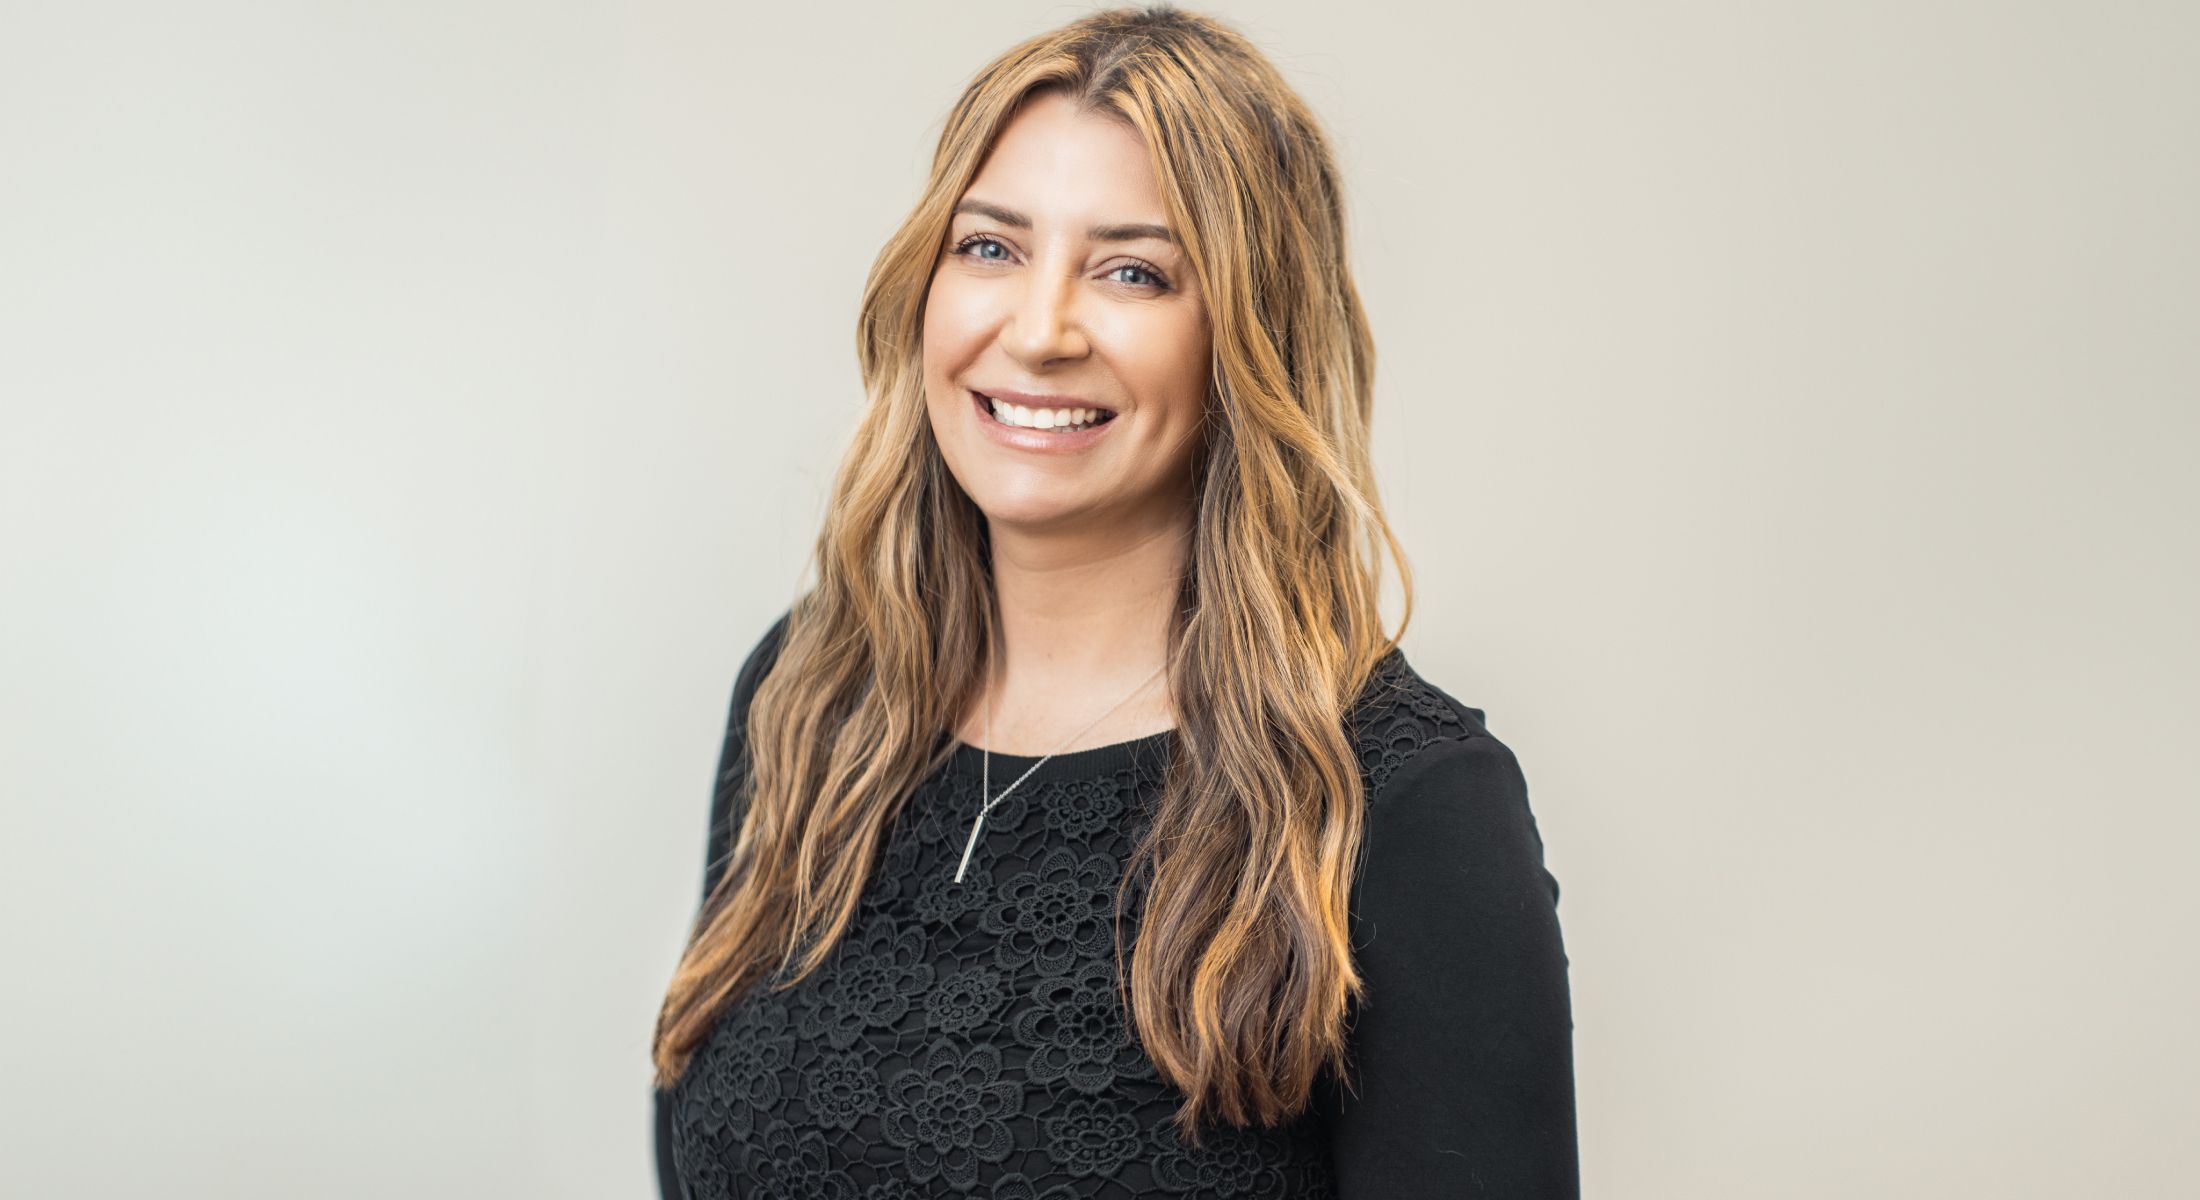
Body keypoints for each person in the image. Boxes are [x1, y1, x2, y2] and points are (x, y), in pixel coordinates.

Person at [650, 6, 1577, 1196]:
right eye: (990, 248)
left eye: (1132, 272)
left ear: (1248, 336)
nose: (1038, 332)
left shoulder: (1403, 806)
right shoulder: (813, 697)